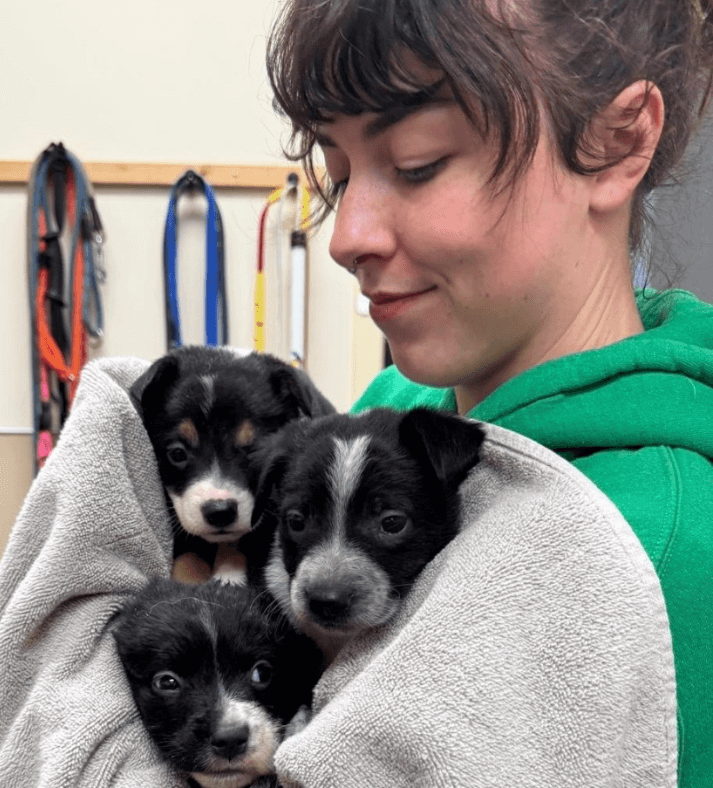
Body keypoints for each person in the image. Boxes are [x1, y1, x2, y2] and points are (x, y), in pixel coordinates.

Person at [266, 0, 713, 784]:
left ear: (616, 143)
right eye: (338, 171)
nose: (345, 236)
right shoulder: (394, 404)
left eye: (418, 163)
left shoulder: (656, 554)